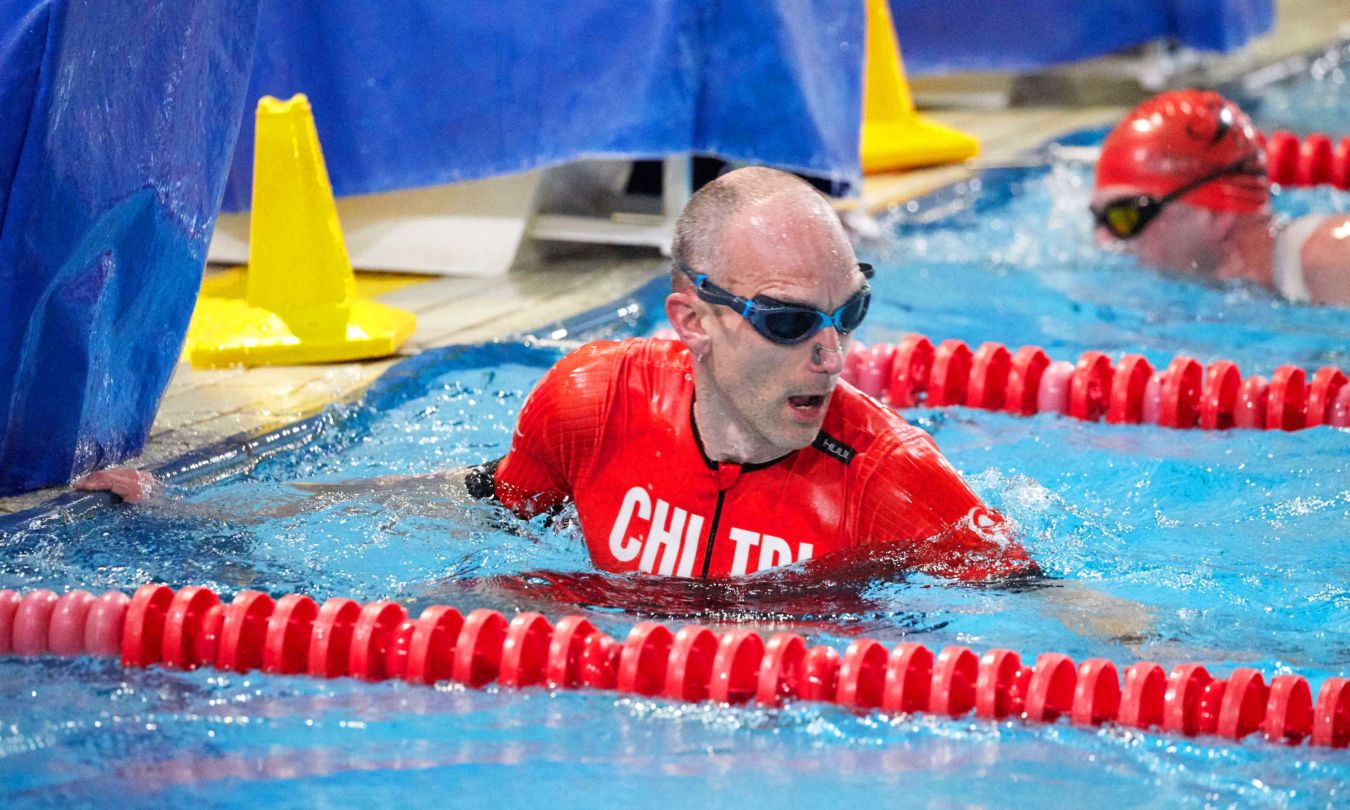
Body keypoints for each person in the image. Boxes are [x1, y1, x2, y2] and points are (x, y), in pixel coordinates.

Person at [83, 167, 1034, 583]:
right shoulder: (595, 402)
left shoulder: (888, 479)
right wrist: (197, 510)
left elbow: (1053, 612)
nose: (832, 355)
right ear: (691, 321)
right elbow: (478, 505)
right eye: (789, 322)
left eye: (849, 313)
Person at [1091, 89, 1350, 306]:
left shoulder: (1331, 258)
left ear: (1216, 214)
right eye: (1098, 218)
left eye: (1125, 216)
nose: (1103, 239)